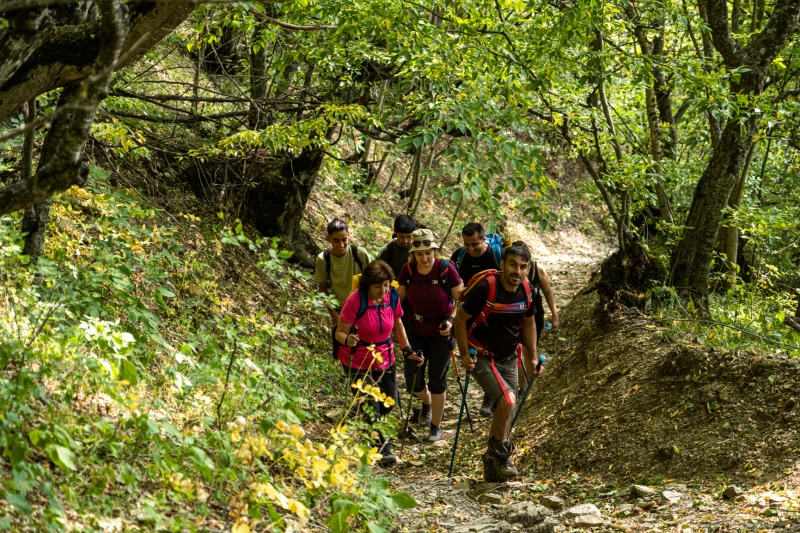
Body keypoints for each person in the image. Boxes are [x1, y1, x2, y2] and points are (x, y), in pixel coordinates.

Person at [454, 243, 544, 482]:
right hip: (481, 355)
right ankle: (501, 457)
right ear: (503, 265)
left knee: (507, 406)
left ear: (528, 269)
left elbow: (529, 323)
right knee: (507, 400)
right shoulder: (486, 288)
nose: (517, 271)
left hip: (508, 356)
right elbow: (460, 319)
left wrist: (532, 357)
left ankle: (493, 461)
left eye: (523, 266)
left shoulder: (528, 291)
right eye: (513, 264)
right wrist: (464, 352)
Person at [334, 260, 423, 466]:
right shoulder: (356, 300)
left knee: (389, 400)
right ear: (367, 286)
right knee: (371, 405)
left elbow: (398, 324)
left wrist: (407, 348)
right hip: (358, 360)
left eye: (386, 285)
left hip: (385, 357)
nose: (382, 290)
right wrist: (347, 339)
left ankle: (368, 430)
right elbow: (340, 332)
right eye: (377, 286)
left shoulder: (391, 297)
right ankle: (382, 447)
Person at [397, 229, 464, 442]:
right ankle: (426, 402)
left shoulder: (446, 269)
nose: (424, 258)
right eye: (419, 254)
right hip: (415, 331)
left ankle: (436, 425)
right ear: (413, 255)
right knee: (412, 381)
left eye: (428, 252)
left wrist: (451, 320)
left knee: (437, 380)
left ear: (434, 250)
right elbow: (398, 301)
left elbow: (461, 300)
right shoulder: (407, 271)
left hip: (441, 333)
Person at [450, 223, 504, 418]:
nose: (471, 249)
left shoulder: (499, 255)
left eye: (475, 244)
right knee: (476, 354)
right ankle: (489, 390)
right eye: (467, 244)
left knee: (492, 351)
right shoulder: (459, 256)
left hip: (496, 311)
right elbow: (452, 283)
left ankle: (491, 395)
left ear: (484, 239)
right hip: (470, 310)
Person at [510, 241, 560, 391]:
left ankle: (530, 386)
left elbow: (548, 293)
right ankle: (523, 386)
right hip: (515, 315)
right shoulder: (509, 273)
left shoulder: (539, 271)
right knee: (518, 349)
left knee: (530, 350)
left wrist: (555, 315)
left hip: (534, 316)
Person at [314, 218, 372, 326]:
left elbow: (374, 281)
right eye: (336, 240)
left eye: (344, 239)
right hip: (340, 310)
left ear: (349, 235)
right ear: (328, 239)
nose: (341, 245)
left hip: (363, 308)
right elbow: (322, 289)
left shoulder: (360, 254)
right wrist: (334, 316)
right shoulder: (323, 259)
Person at [378, 215, 416, 328]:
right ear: (395, 232)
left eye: (408, 237)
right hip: (393, 295)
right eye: (401, 236)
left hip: (413, 295)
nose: (405, 241)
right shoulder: (388, 250)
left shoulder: (418, 249)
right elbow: (378, 274)